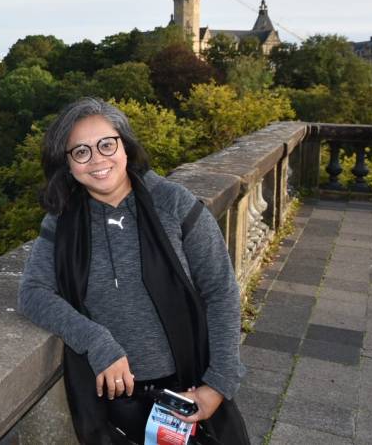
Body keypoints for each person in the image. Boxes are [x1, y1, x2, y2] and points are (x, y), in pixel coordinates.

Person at [18, 98, 248, 444]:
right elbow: (33, 293)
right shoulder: (60, 221)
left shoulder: (173, 203)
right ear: (67, 164)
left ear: (125, 145)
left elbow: (220, 291)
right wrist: (97, 342)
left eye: (106, 144)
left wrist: (218, 384)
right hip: (113, 403)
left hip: (187, 390)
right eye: (81, 152)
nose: (97, 159)